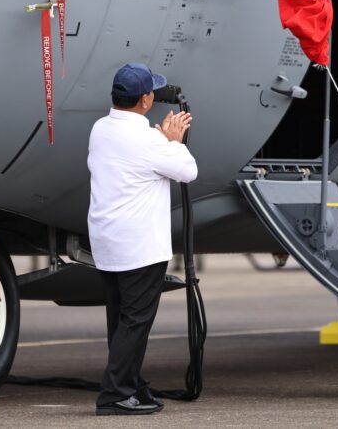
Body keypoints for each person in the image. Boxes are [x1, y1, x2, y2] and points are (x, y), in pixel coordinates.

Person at [87, 63, 198, 416]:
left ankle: (131, 385)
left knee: (121, 319)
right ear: (146, 100)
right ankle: (115, 393)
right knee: (135, 321)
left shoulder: (100, 129)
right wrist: (173, 141)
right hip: (139, 247)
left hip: (108, 241)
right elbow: (188, 171)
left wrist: (162, 141)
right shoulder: (148, 140)